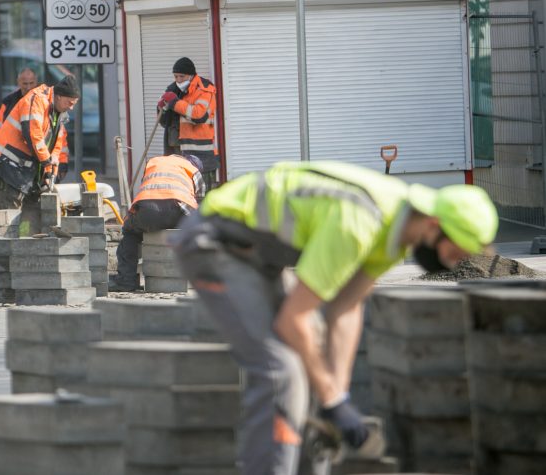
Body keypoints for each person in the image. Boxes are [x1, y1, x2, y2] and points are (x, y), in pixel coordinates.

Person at [172, 161, 498, 475]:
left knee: (313, 373)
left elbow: (347, 307)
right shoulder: (359, 222)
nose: (455, 263)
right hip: (211, 241)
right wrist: (332, 398)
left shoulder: (396, 234)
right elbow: (293, 320)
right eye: (455, 253)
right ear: (433, 226)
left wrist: (336, 397)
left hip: (256, 256)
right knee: (280, 371)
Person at [0, 75, 80, 233]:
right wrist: (47, 162)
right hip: (9, 167)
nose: (71, 108)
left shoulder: (58, 112)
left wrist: (51, 172)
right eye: (70, 103)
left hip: (27, 171)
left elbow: (57, 144)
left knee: (28, 218)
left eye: (74, 104)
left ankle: (24, 248)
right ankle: (5, 252)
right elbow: (33, 134)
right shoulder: (37, 100)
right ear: (59, 96)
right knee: (7, 219)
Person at [111, 153, 206, 292]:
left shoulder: (154, 162)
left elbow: (149, 187)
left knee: (130, 233)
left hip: (148, 211)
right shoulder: (193, 170)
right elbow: (200, 200)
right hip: (178, 211)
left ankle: (126, 281)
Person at [158, 57, 220, 190]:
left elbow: (199, 115)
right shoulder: (173, 89)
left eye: (182, 76)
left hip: (201, 154)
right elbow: (164, 122)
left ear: (191, 75)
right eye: (176, 76)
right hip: (177, 150)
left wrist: (174, 103)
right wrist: (161, 108)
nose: (179, 80)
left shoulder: (205, 89)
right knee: (180, 192)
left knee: (202, 195)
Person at [0, 68, 38, 139]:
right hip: (14, 146)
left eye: (31, 83)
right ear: (18, 82)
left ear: (36, 82)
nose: (28, 87)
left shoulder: (44, 100)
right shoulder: (8, 102)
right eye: (25, 83)